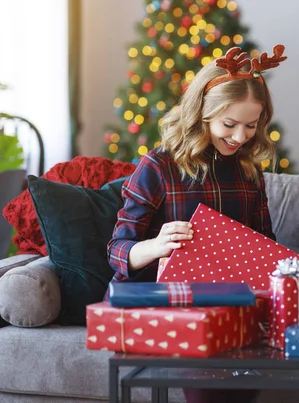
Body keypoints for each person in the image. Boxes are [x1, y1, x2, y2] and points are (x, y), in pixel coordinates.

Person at [107, 45, 287, 403]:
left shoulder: (249, 171)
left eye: (251, 126)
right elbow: (117, 250)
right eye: (229, 124)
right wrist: (157, 246)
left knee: (243, 374)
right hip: (165, 301)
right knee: (208, 378)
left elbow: (266, 245)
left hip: (231, 302)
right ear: (202, 114)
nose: (240, 137)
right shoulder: (160, 166)